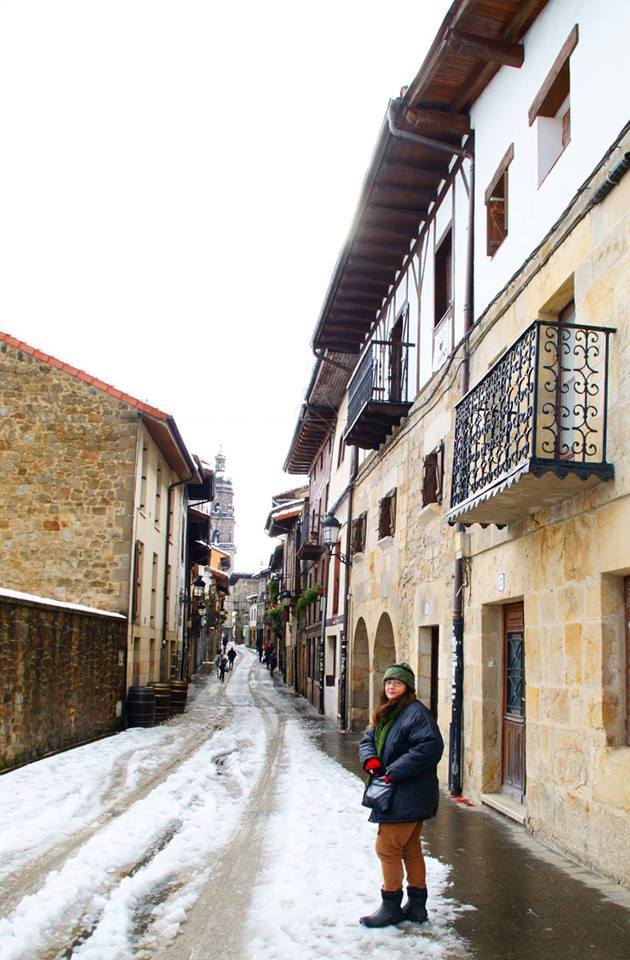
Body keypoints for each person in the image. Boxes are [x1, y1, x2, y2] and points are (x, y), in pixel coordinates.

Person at [358, 661, 444, 928]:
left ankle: (391, 905)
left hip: (408, 792)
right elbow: (367, 740)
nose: (391, 686)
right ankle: (417, 907)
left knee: (387, 847)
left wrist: (393, 771)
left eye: (397, 682)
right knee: (409, 847)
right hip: (398, 789)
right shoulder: (387, 712)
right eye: (388, 682)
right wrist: (370, 761)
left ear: (407, 686)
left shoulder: (415, 713)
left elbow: (430, 746)